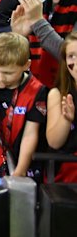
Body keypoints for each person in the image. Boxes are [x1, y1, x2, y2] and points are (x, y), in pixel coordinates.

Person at [0, 33, 47, 184]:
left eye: (8, 73)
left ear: (26, 65)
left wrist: (20, 171)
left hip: (27, 168)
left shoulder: (38, 91)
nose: (0, 78)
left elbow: (30, 134)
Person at [46, 32, 77, 182]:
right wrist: (66, 119)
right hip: (67, 172)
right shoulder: (57, 94)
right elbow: (54, 142)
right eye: (71, 56)